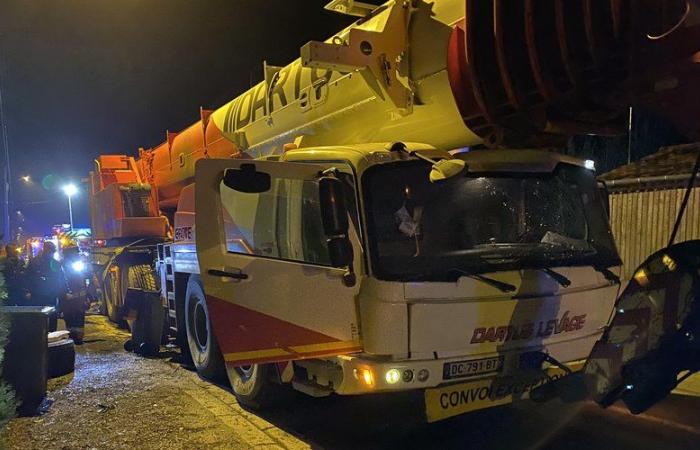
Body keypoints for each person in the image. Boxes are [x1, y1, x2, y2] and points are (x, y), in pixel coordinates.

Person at [26, 241, 67, 332]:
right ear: (46, 250)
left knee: (51, 315)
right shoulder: (34, 262)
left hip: (50, 294)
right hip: (38, 294)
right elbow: (28, 277)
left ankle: (50, 334)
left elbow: (61, 278)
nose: (51, 254)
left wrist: (63, 292)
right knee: (40, 316)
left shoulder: (54, 263)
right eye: (51, 251)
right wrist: (28, 290)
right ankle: (40, 334)